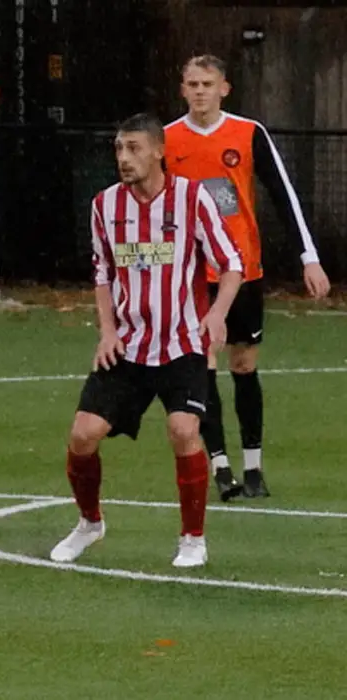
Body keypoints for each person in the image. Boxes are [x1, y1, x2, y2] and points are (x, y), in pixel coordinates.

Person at [49, 113, 243, 569]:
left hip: (182, 344)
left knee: (183, 430)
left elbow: (230, 263)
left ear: (159, 151)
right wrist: (108, 330)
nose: (123, 158)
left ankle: (192, 539)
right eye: (119, 148)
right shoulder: (104, 206)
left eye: (134, 148)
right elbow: (102, 274)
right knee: (82, 435)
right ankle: (89, 523)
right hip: (129, 346)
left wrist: (216, 314)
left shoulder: (192, 199)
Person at [164, 54, 331, 500]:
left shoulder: (248, 132)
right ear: (182, 89)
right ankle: (220, 467)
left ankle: (254, 468)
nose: (199, 91)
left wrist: (307, 256)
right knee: (206, 365)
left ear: (225, 88)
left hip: (244, 271)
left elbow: (282, 194)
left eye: (207, 83)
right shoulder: (167, 141)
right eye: (192, 83)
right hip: (194, 276)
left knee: (244, 366)